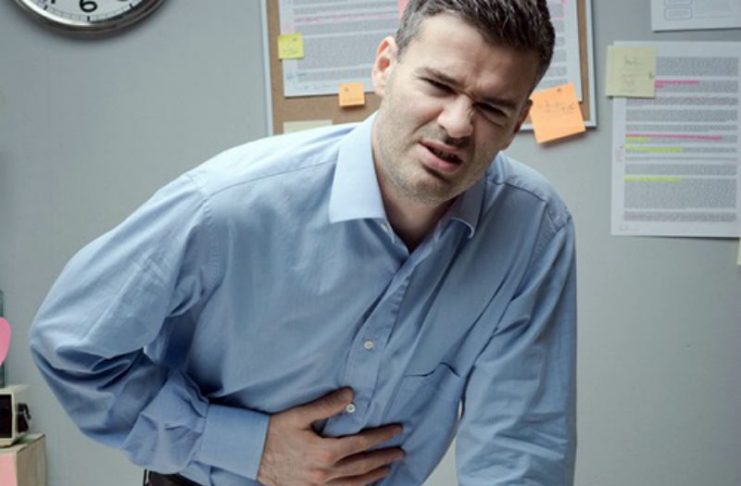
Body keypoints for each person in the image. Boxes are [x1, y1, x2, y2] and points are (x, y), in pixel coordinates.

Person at [30, 0, 576, 484]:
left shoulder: (533, 228)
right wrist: (246, 447)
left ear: (518, 122)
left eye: (492, 108)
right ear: (385, 66)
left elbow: (519, 445)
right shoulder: (227, 202)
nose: (457, 125)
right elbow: (70, 345)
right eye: (438, 85)